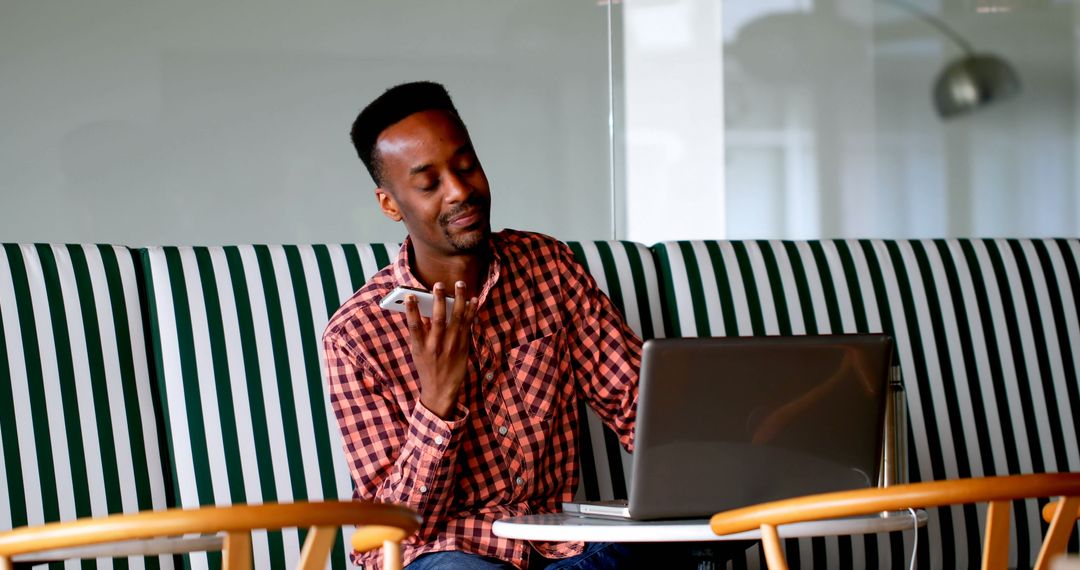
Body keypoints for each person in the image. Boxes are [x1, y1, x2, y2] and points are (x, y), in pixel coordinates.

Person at [323, 81, 649, 569]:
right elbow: (392, 529)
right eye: (429, 183)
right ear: (390, 204)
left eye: (466, 165)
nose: (460, 191)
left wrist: (712, 459)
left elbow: (635, 401)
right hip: (443, 554)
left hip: (558, 543)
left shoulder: (547, 267)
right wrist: (436, 403)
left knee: (720, 526)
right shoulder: (355, 337)